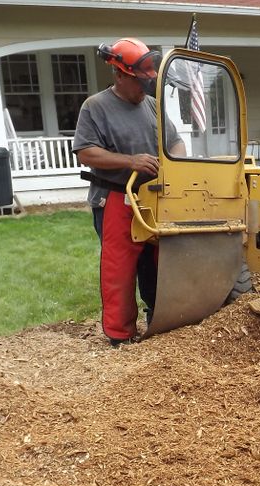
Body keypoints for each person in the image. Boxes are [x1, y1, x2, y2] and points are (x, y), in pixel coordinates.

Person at [72, 37, 186, 346]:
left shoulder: (152, 106)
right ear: (120, 74)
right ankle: (120, 335)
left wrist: (172, 162)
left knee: (158, 264)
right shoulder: (96, 107)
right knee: (119, 270)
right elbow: (85, 152)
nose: (144, 88)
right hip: (115, 197)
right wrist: (130, 161)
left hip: (154, 198)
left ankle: (159, 322)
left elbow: (176, 142)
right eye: (140, 82)